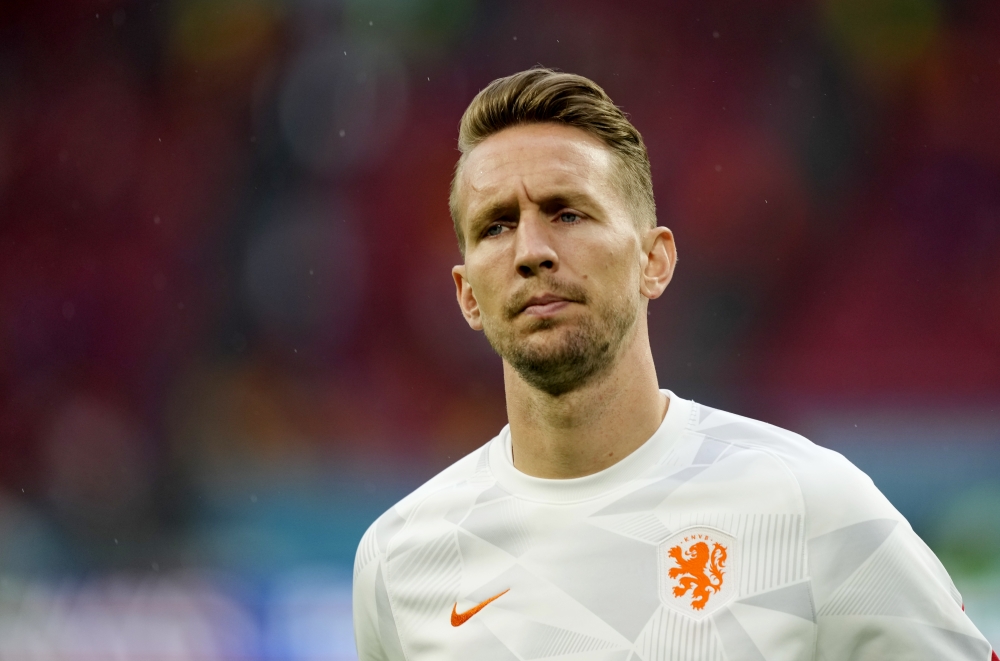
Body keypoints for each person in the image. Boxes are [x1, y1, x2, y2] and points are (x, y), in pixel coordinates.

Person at [352, 68, 995, 661]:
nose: (532, 251)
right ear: (467, 295)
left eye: (567, 213)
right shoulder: (399, 560)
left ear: (654, 261)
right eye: (496, 226)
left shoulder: (811, 506)